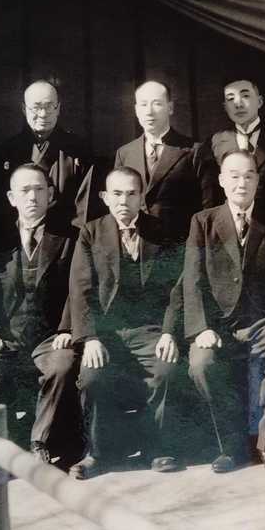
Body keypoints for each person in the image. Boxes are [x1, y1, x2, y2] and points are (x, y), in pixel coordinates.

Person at [182, 150, 265, 474]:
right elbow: (192, 279)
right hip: (219, 325)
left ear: (257, 181)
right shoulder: (203, 222)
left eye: (249, 176)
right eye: (234, 176)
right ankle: (230, 446)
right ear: (222, 181)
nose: (242, 183)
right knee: (201, 363)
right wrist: (201, 328)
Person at [69, 167, 183, 479]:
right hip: (106, 332)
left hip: (150, 330)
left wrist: (169, 332)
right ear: (105, 197)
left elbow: (176, 288)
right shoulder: (90, 233)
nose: (124, 201)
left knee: (166, 368)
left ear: (141, 197)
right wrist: (90, 338)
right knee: (91, 377)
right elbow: (80, 290)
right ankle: (97, 454)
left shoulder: (160, 231)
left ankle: (157, 448)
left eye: (132, 193)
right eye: (117, 194)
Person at [0, 164, 81, 467]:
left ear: (50, 194)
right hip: (9, 337)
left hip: (52, 336)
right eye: (24, 190)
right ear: (11, 198)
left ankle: (39, 441)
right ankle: (10, 437)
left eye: (38, 189)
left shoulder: (71, 238)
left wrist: (67, 329)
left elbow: (78, 290)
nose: (32, 197)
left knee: (62, 365)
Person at [114, 80, 214, 243]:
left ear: (170, 108)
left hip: (180, 246)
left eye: (157, 104)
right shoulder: (124, 153)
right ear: (136, 110)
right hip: (136, 246)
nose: (149, 112)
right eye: (143, 104)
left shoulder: (195, 151)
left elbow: (208, 208)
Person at [0, 79, 96, 235]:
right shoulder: (7, 151)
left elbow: (84, 206)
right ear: (24, 109)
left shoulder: (78, 150)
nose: (43, 114)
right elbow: (0, 204)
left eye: (49, 106)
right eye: (36, 107)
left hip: (67, 237)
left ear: (58, 108)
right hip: (18, 237)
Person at [204, 76, 265, 218]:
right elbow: (211, 193)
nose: (238, 104)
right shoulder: (216, 142)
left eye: (245, 96)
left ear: (260, 102)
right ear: (225, 107)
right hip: (232, 221)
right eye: (230, 98)